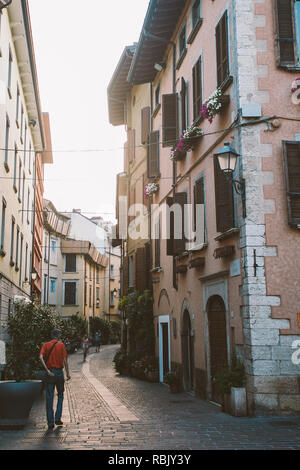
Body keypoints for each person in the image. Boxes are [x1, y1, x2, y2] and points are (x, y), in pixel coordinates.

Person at [39, 329, 71, 430]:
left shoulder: (45, 345)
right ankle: (58, 418)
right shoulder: (61, 345)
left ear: (51, 335)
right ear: (59, 336)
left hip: (50, 374)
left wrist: (47, 370)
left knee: (49, 397)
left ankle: (50, 422)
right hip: (59, 373)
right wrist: (68, 373)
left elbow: (40, 357)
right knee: (60, 395)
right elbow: (65, 360)